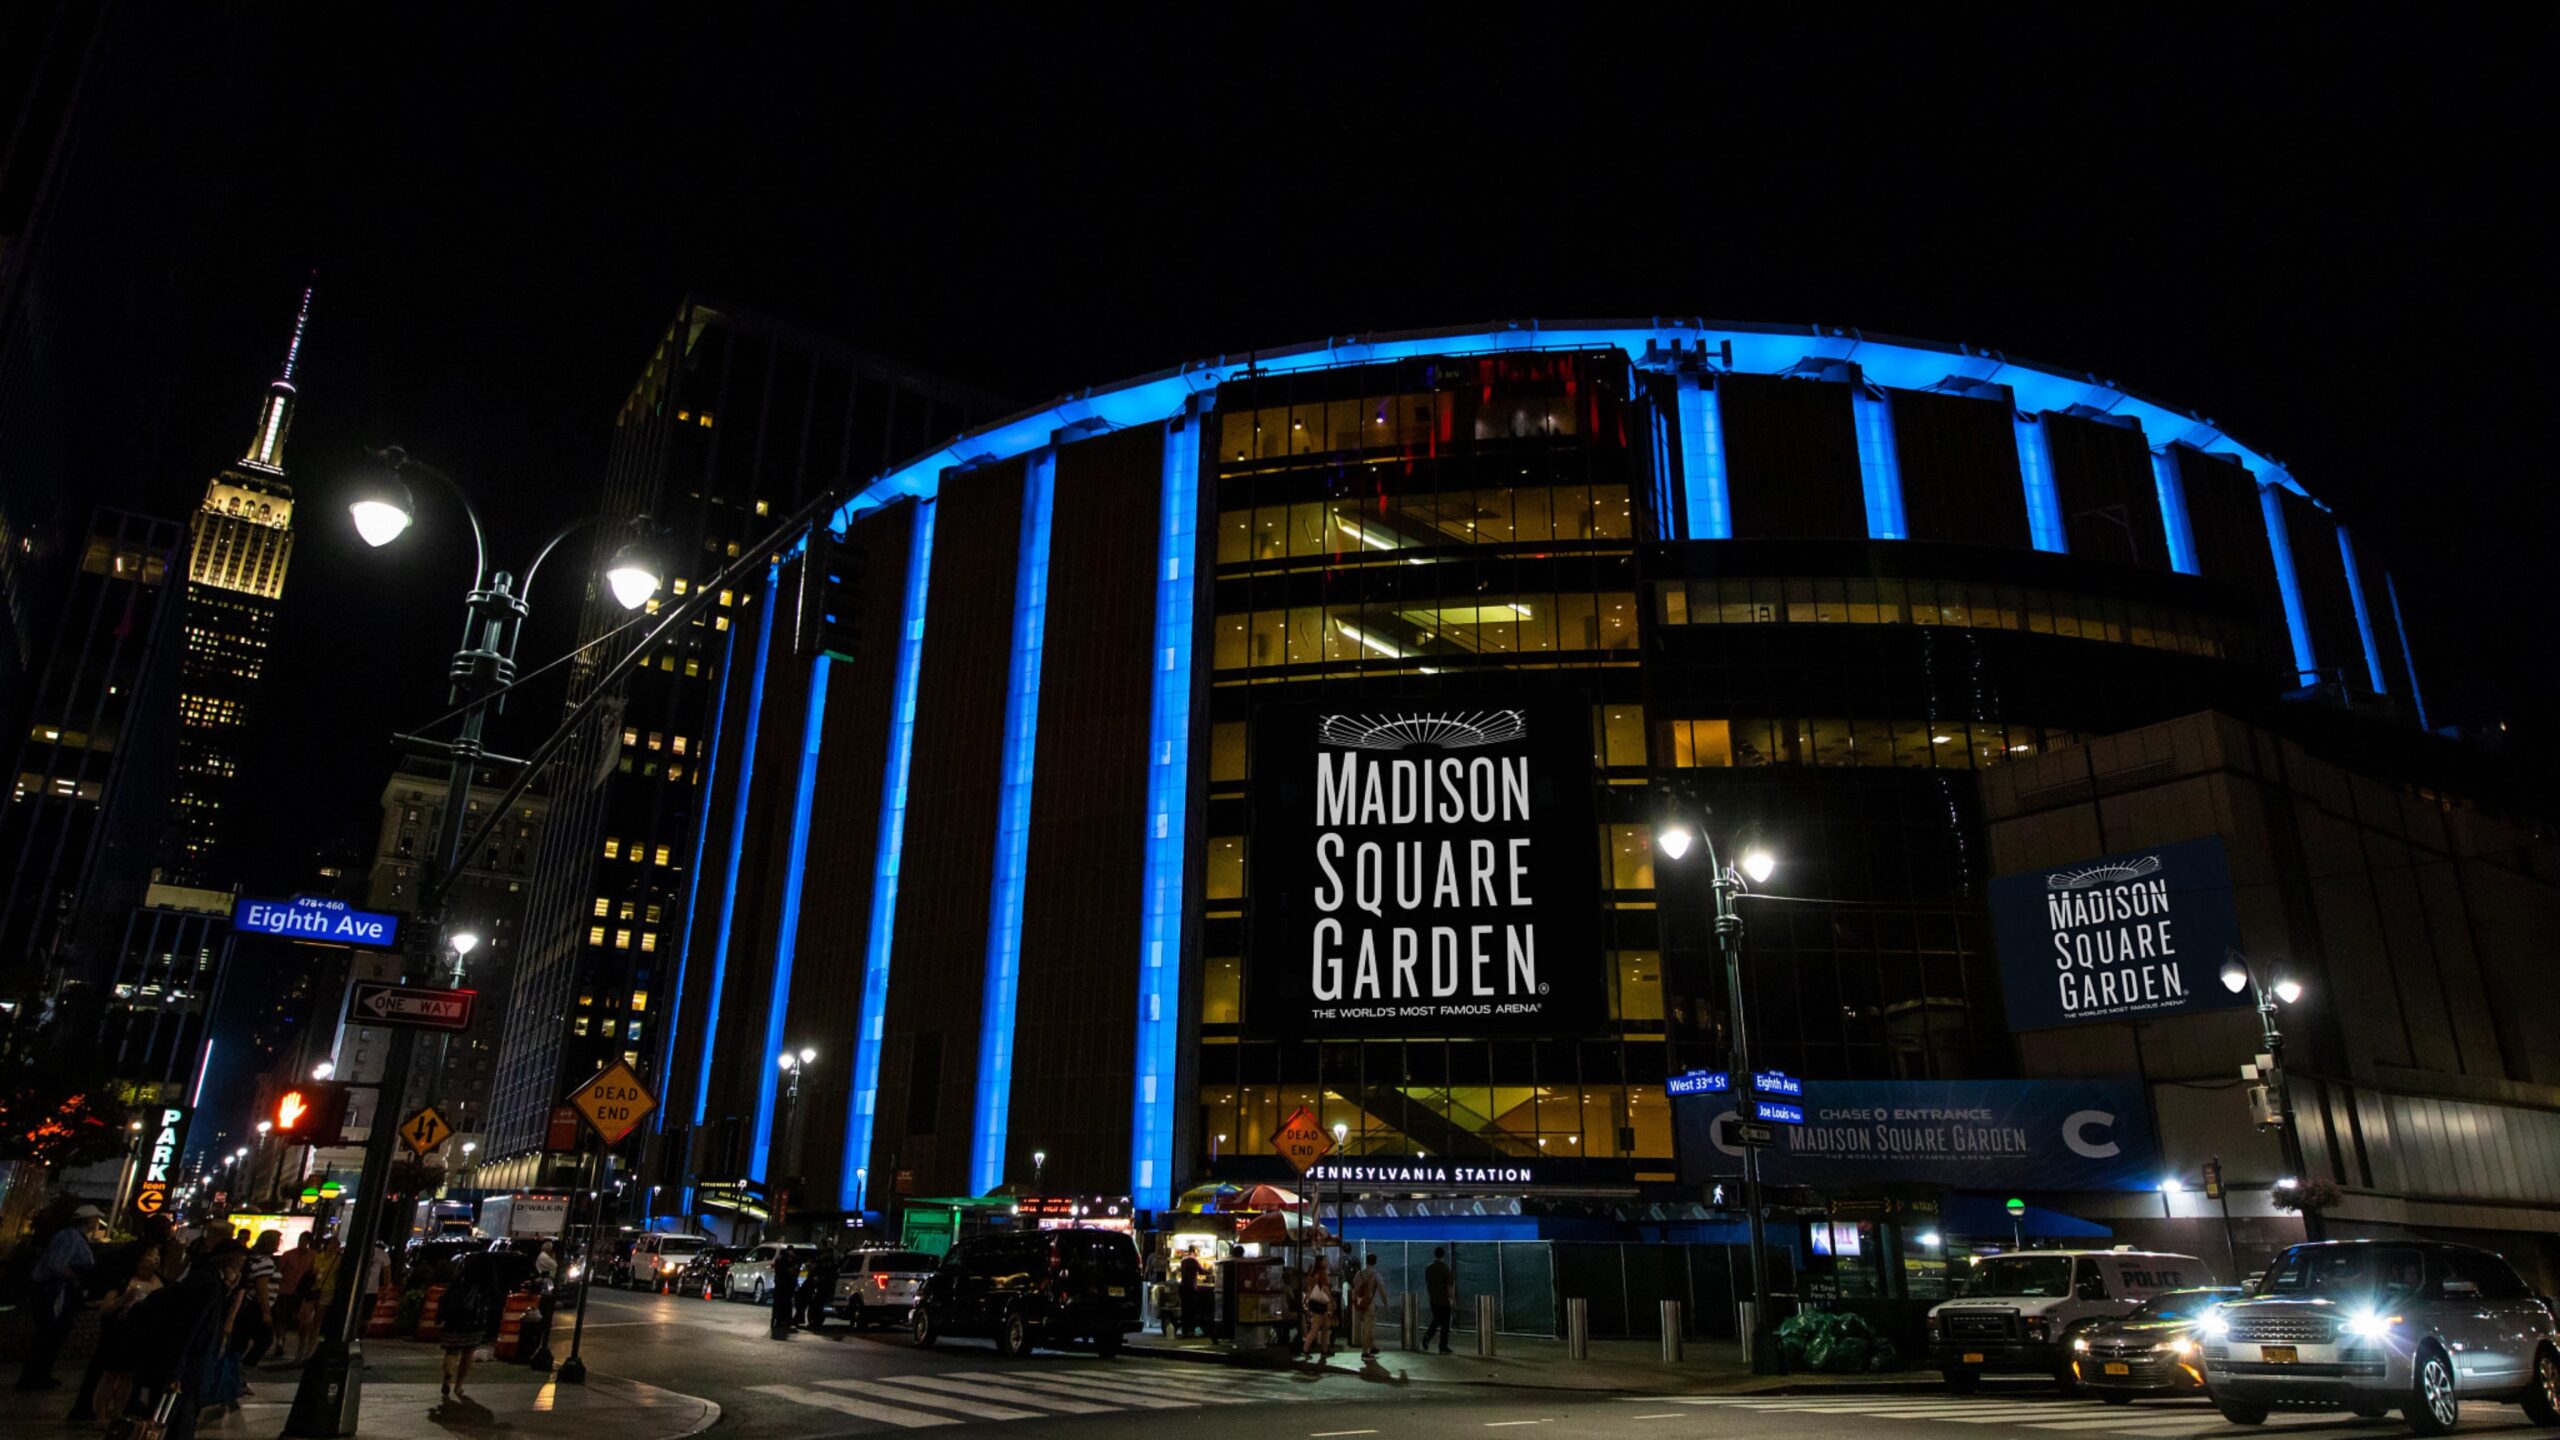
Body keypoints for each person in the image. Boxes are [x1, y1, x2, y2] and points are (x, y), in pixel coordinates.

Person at [137, 1240, 247, 1440]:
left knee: (175, 1415)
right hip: (188, 1364)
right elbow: (192, 1328)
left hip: (183, 1362)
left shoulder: (203, 1279)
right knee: (178, 1418)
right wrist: (177, 1369)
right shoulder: (209, 1286)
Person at [16, 1202, 104, 1391]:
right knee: (48, 1334)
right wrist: (74, 1279)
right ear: (89, 1220)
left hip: (60, 1291)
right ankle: (34, 1377)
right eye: (95, 1219)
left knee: (51, 1335)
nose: (97, 1222)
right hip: (56, 1292)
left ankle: (39, 1375)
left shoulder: (73, 1237)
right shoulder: (70, 1237)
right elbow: (55, 1264)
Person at [87, 1246, 166, 1423]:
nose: (155, 1259)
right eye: (150, 1254)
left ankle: (119, 1413)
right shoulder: (123, 1281)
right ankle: (100, 1415)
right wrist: (125, 1299)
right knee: (110, 1375)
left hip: (142, 1334)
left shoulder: (161, 1281)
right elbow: (105, 1310)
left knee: (128, 1377)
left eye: (157, 1255)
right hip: (120, 1333)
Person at [435, 1251, 504, 1401]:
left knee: (451, 1351)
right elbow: (496, 1295)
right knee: (467, 1353)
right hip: (475, 1319)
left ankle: (447, 1375)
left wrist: (440, 1316)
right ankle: (458, 1385)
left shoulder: (462, 1277)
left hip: (455, 1318)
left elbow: (447, 1296)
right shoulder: (487, 1280)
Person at [270, 1232, 317, 1363]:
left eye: (305, 1240)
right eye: (301, 1240)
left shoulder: (313, 1256)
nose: (302, 1243)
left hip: (301, 1292)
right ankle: (280, 1341)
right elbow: (279, 1270)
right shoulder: (289, 1255)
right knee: (282, 1317)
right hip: (286, 1290)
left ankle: (288, 1342)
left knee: (295, 1317)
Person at [1349, 1253, 1385, 1360]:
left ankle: (1371, 1347)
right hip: (1369, 1304)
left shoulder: (1358, 1274)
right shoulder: (1376, 1275)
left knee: (1367, 1327)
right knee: (1368, 1328)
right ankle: (1365, 1352)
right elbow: (1382, 1290)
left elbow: (1355, 1287)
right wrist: (1385, 1303)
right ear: (1375, 1262)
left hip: (1359, 1303)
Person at [1300, 1255, 1335, 1360]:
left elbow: (1310, 1289)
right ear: (1320, 1262)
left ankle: (1324, 1350)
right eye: (1325, 1260)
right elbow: (1325, 1288)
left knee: (1326, 1325)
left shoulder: (1313, 1273)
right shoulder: (1321, 1273)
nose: (1327, 1262)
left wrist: (1306, 1300)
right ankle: (1305, 1350)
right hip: (1319, 1303)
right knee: (1315, 1328)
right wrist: (1331, 1300)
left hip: (1314, 1302)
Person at [1422, 1246, 1455, 1354]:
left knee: (1436, 1319)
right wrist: (1452, 1298)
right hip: (1443, 1300)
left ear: (1435, 1254)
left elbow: (1427, 1282)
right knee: (1445, 1324)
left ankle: (1428, 1335)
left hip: (1433, 1299)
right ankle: (1442, 1346)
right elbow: (1448, 1286)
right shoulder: (1445, 1268)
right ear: (1443, 1255)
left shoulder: (1429, 1268)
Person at [802, 1244, 839, 1331]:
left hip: (824, 1286)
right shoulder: (824, 1262)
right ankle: (814, 1322)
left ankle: (815, 1322)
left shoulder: (829, 1263)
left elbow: (830, 1274)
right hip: (820, 1286)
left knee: (817, 1305)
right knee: (815, 1305)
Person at [769, 1248, 801, 1339]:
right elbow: (789, 1271)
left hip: (780, 1285)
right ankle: (783, 1321)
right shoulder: (785, 1260)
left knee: (778, 1303)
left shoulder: (779, 1259)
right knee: (785, 1303)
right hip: (785, 1285)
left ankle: (776, 1320)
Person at [1175, 1247, 1207, 1339]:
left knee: (1184, 1310)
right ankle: (1191, 1331)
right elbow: (1202, 1271)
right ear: (1194, 1252)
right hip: (1191, 1288)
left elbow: (1181, 1272)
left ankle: (1185, 1331)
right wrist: (1209, 1268)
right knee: (1192, 1310)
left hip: (1183, 1287)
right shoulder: (1194, 1260)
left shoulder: (1183, 1260)